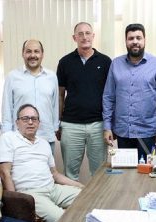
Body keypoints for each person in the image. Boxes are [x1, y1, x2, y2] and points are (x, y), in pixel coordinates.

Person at [0, 104, 84, 222]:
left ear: (39, 123)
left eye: (34, 119)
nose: (30, 122)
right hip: (32, 194)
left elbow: (55, 174)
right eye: (25, 119)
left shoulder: (44, 143)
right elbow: (5, 173)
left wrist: (81, 186)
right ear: (17, 122)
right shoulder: (8, 138)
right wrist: (16, 202)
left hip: (53, 189)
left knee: (88, 197)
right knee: (61, 219)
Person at [103, 23, 156, 159]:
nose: (135, 42)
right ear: (126, 41)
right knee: (125, 174)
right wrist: (107, 127)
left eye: (138, 38)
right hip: (123, 132)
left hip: (148, 133)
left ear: (144, 40)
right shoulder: (116, 64)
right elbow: (109, 97)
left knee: (146, 174)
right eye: (131, 38)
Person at [56, 22, 112, 180]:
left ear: (93, 36)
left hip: (98, 125)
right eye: (80, 34)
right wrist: (58, 121)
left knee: (99, 174)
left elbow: (111, 96)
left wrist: (109, 124)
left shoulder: (106, 62)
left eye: (88, 33)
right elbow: (60, 94)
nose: (84, 37)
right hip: (71, 125)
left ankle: (98, 204)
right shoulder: (65, 62)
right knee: (70, 174)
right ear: (74, 38)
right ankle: (73, 204)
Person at [1, 39, 59, 153]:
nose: (33, 55)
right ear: (23, 54)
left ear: (42, 54)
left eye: (36, 51)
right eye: (28, 51)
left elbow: (55, 105)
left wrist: (55, 129)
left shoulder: (52, 77)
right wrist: (7, 136)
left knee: (46, 170)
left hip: (46, 137)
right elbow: (7, 108)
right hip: (20, 139)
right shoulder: (12, 77)